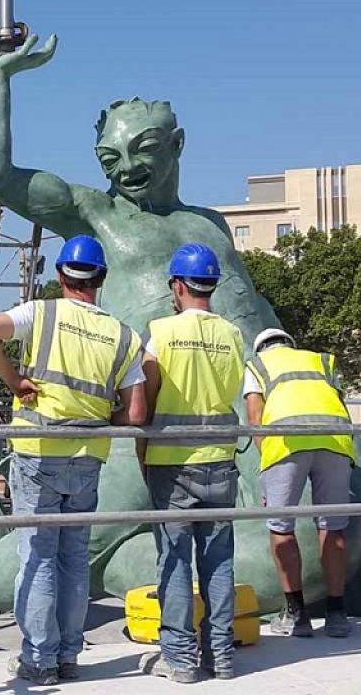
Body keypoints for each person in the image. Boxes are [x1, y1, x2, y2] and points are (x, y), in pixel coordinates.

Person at [0, 235, 146, 686]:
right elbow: (137, 413)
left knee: (38, 557)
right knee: (73, 559)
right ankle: (69, 655)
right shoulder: (124, 335)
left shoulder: (42, 313)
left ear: (61, 276)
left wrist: (13, 381)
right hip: (88, 457)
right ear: (100, 279)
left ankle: (39, 660)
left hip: (37, 452)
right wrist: (102, 412)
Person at [138, 244, 245, 683]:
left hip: (171, 463)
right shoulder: (233, 335)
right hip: (220, 460)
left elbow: (145, 398)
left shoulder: (160, 333)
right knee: (219, 562)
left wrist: (142, 454)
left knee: (175, 561)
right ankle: (221, 656)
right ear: (212, 285)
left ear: (177, 286)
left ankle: (181, 659)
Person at [245, 328, 354, 639]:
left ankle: (296, 615)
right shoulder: (321, 361)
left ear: (261, 347)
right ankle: (337, 614)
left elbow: (256, 419)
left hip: (286, 443)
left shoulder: (257, 366)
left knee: (280, 526)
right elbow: (340, 406)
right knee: (333, 527)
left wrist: (267, 474)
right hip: (335, 442)